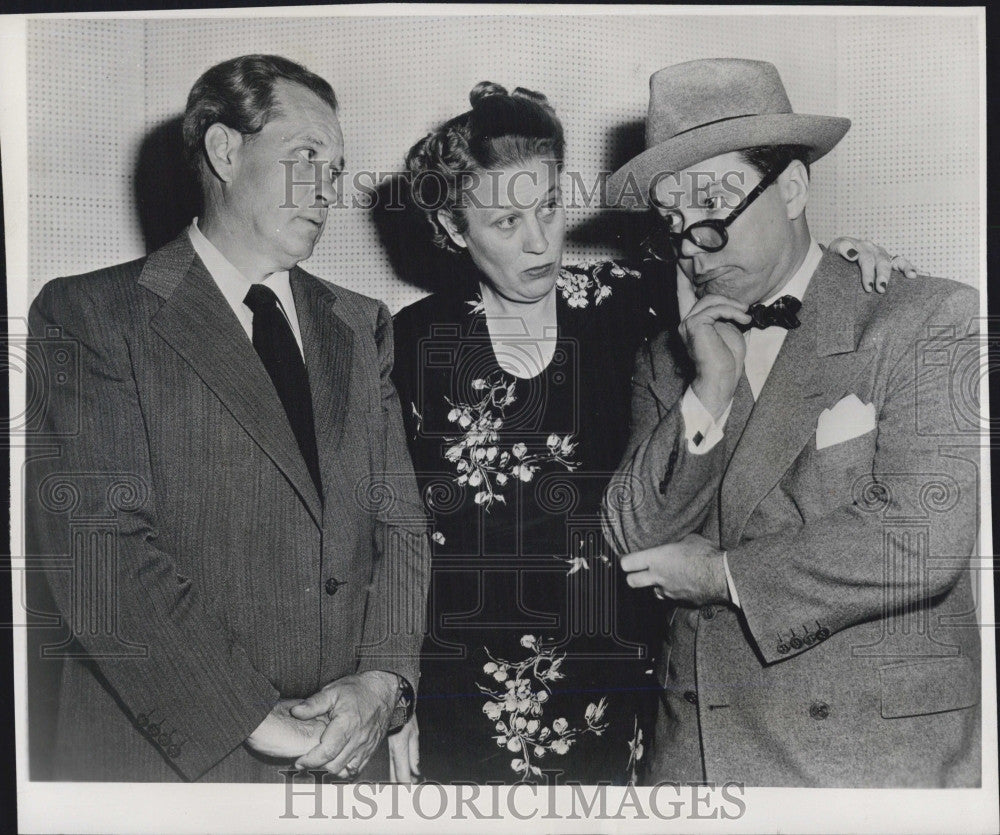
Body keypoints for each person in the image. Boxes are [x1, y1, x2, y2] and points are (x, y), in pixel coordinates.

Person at [388, 81, 910, 785]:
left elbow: (765, 266)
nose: (540, 241)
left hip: (618, 684)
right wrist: (396, 692)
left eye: (546, 206)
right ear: (453, 229)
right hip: (463, 693)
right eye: (505, 223)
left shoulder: (631, 301)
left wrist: (848, 259)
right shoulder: (407, 346)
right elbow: (393, 537)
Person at [25, 54, 430, 782]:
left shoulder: (361, 323)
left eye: (336, 171)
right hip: (168, 764)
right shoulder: (91, 314)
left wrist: (384, 685)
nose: (327, 191)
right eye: (307, 157)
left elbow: (399, 526)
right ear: (224, 149)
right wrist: (256, 718)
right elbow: (100, 551)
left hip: (345, 759)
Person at [602, 58, 981, 787]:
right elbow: (633, 538)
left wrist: (722, 574)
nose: (690, 244)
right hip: (700, 756)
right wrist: (708, 388)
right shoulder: (668, 356)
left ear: (795, 186)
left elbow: (923, 535)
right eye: (673, 220)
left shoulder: (926, 316)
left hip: (867, 765)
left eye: (712, 204)